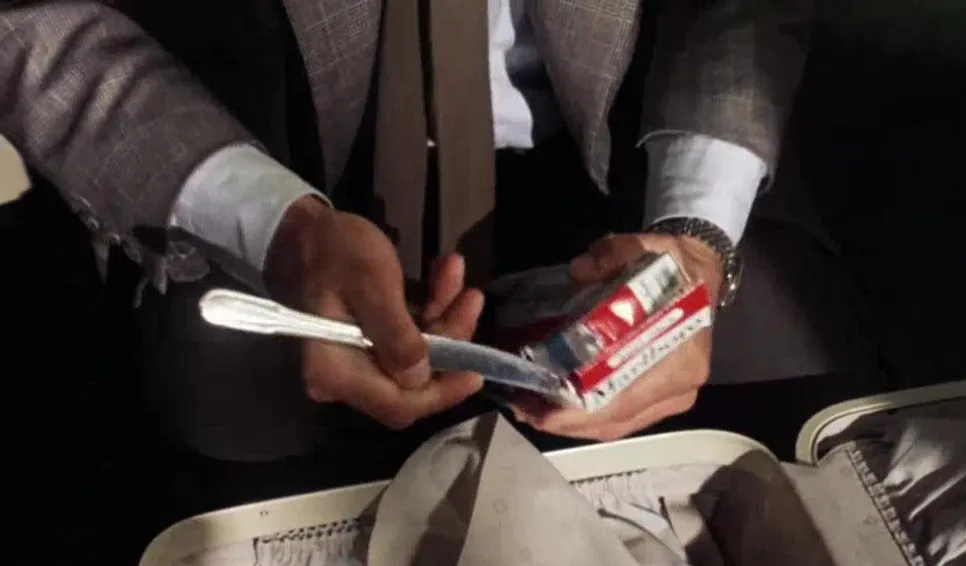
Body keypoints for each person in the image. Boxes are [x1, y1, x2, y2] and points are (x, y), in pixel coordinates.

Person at [0, 0, 867, 466]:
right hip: (257, 148)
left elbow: (737, 10)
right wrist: (276, 226)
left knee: (789, 408)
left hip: (610, 151)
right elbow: (31, 23)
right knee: (229, 431)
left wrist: (695, 238)